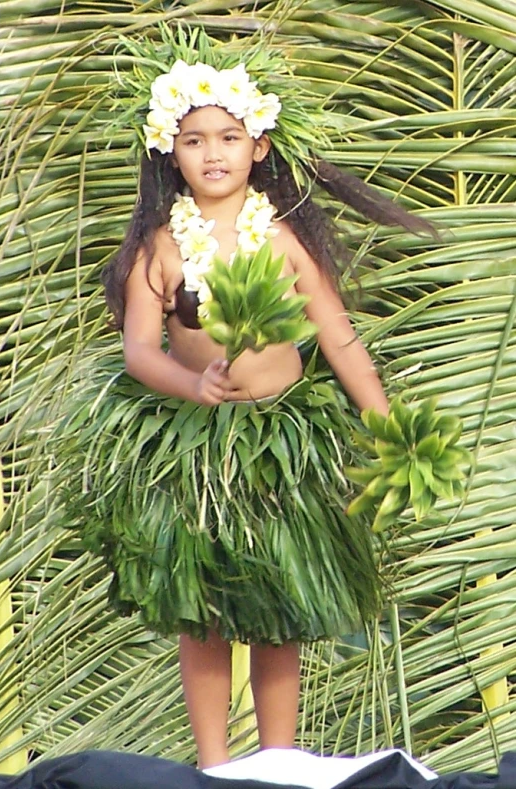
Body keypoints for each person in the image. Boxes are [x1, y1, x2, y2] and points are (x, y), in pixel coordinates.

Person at [61, 35, 433, 770]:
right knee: (203, 612)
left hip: (283, 443)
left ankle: (278, 761)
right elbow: (140, 348)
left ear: (258, 146)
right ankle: (212, 766)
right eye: (194, 140)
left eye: (229, 137)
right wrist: (194, 384)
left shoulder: (283, 238)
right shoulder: (161, 248)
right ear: (172, 152)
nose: (213, 153)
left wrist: (387, 426)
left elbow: (338, 336)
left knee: (277, 603)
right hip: (200, 444)